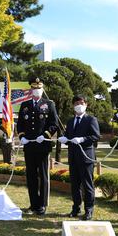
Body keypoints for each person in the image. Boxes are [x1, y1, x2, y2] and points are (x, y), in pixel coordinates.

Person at [16, 77, 58, 215]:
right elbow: (20, 124)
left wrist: (45, 135)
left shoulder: (49, 104)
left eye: (39, 88)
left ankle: (42, 205)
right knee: (31, 176)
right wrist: (22, 137)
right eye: (34, 88)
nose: (37, 90)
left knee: (43, 176)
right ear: (31, 90)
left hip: (43, 146)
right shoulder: (25, 105)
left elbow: (54, 124)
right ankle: (33, 204)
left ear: (42, 89)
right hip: (29, 146)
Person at [58, 95, 100, 220]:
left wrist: (82, 139)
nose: (79, 105)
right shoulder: (71, 121)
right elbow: (69, 137)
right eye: (76, 103)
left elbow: (96, 136)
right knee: (75, 185)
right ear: (73, 106)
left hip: (86, 157)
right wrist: (64, 139)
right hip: (73, 157)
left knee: (87, 185)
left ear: (86, 104)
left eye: (81, 103)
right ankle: (76, 208)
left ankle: (89, 210)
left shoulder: (91, 119)